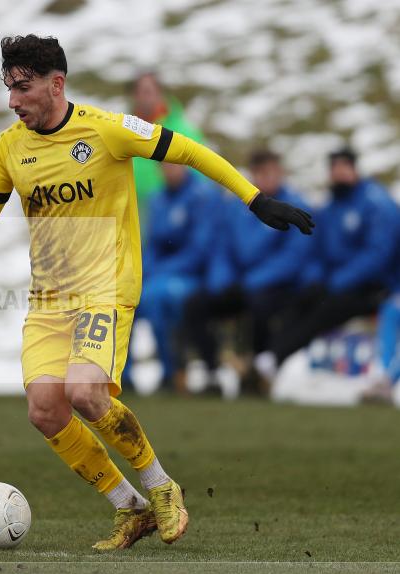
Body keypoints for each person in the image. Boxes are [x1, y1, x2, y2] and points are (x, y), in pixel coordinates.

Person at [0, 35, 313, 551]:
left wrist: (254, 198)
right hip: (49, 299)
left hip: (105, 287)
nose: (12, 100)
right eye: (8, 88)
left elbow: (188, 150)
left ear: (56, 84)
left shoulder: (106, 130)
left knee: (85, 392)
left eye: (22, 88)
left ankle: (162, 488)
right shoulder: (10, 147)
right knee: (45, 410)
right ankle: (130, 507)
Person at [254, 148, 398, 382]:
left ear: (354, 169)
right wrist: (317, 277)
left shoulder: (377, 203)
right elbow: (317, 249)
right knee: (303, 297)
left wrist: (338, 281)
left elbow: (378, 255)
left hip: (375, 286)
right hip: (336, 281)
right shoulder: (330, 206)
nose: (338, 173)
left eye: (343, 168)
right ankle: (268, 357)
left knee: (326, 307)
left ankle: (275, 356)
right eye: (334, 169)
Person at [178, 150, 315, 396]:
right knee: (195, 304)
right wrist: (223, 280)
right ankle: (212, 371)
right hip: (238, 282)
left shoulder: (295, 208)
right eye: (260, 173)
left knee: (261, 306)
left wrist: (252, 281)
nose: (266, 178)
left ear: (281, 173)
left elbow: (292, 258)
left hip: (276, 285)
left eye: (271, 172)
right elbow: (222, 248)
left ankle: (258, 372)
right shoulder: (237, 207)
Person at [136, 162, 220, 389]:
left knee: (161, 297)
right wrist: (147, 270)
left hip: (195, 275)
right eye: (164, 166)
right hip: (162, 275)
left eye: (174, 165)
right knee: (129, 296)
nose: (169, 170)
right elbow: (152, 244)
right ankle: (125, 376)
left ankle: (177, 370)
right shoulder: (157, 199)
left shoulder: (203, 196)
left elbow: (200, 249)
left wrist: (162, 270)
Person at [129, 72, 204, 221]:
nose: (145, 97)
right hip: (139, 220)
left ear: (160, 93)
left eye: (149, 91)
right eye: (140, 92)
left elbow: (202, 175)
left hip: (182, 217)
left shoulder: (183, 131)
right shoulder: (125, 134)